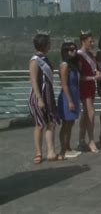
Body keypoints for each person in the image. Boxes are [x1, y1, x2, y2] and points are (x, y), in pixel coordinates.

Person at [28, 32, 62, 164]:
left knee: (50, 123)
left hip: (48, 94)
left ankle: (51, 152)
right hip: (40, 96)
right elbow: (33, 81)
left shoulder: (44, 58)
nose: (50, 45)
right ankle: (38, 152)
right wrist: (39, 99)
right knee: (39, 124)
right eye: (49, 43)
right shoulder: (35, 60)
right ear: (44, 44)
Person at [77, 31, 101, 153]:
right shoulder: (79, 56)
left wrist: (97, 73)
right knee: (91, 113)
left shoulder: (90, 55)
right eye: (90, 41)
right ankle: (91, 140)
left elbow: (93, 70)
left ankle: (81, 139)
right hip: (84, 86)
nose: (92, 43)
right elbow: (79, 76)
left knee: (86, 113)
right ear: (83, 41)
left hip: (91, 86)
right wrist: (93, 77)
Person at [58, 42, 82, 158]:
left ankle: (68, 147)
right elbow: (64, 85)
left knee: (71, 122)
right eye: (71, 49)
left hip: (74, 95)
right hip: (67, 97)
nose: (74, 51)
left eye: (75, 49)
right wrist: (70, 101)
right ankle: (64, 149)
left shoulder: (73, 65)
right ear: (65, 51)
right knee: (66, 124)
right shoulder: (64, 65)